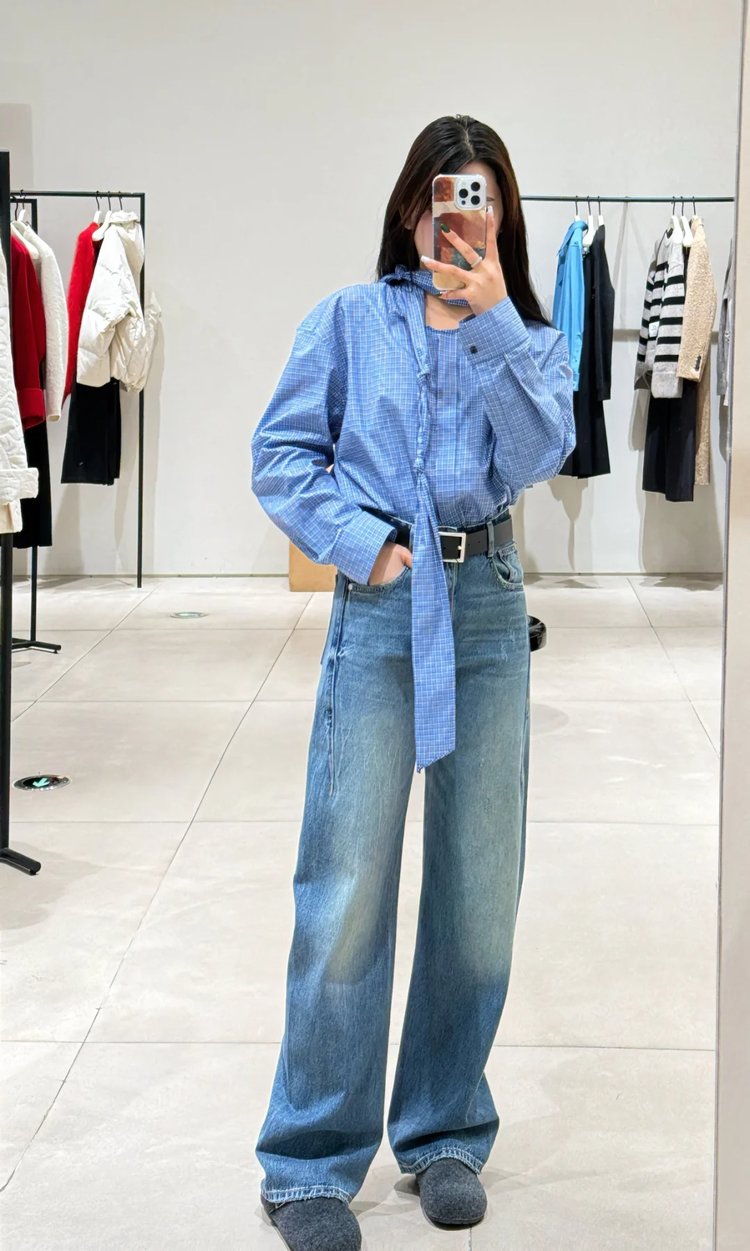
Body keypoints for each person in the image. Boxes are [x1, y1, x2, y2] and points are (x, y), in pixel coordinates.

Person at [250, 113, 576, 1251]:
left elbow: (541, 453)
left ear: (505, 216)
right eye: (446, 194)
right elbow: (280, 455)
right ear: (409, 207)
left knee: (479, 891)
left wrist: (491, 322)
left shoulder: (530, 334)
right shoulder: (347, 319)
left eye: (482, 196)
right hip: (385, 604)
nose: (460, 216)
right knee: (346, 885)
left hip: (487, 604)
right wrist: (364, 546)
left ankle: (443, 1130)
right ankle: (308, 1159)